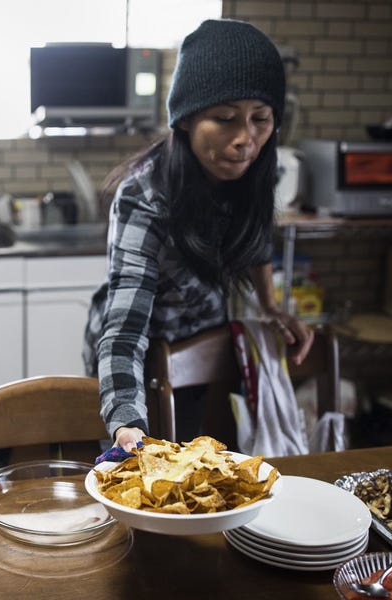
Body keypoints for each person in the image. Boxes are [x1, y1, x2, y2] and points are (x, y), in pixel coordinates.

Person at [83, 19, 314, 452]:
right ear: (186, 120)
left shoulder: (256, 170)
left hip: (199, 344)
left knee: (188, 463)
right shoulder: (145, 194)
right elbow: (125, 327)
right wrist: (125, 422)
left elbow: (256, 237)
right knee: (131, 460)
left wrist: (270, 306)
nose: (245, 139)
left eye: (261, 119)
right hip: (134, 350)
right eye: (225, 118)